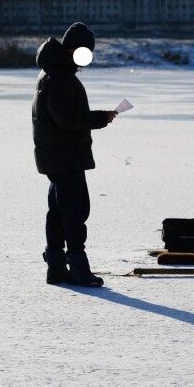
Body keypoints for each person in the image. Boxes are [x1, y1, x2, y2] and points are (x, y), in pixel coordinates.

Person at [32, 22, 117, 286]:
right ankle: (78, 268)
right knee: (75, 211)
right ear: (74, 50)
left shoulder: (53, 73)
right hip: (64, 157)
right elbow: (67, 120)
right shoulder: (60, 78)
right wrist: (101, 118)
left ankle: (56, 267)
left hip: (55, 156)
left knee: (58, 212)